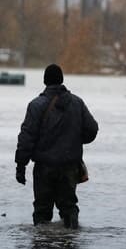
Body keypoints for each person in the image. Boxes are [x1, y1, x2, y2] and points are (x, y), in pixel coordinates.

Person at [15, 64, 99, 229]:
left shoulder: (36, 105)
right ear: (61, 80)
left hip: (44, 168)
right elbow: (92, 130)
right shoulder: (77, 103)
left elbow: (27, 137)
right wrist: (75, 141)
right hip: (70, 167)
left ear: (45, 80)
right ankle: (70, 246)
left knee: (42, 212)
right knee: (69, 209)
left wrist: (20, 166)